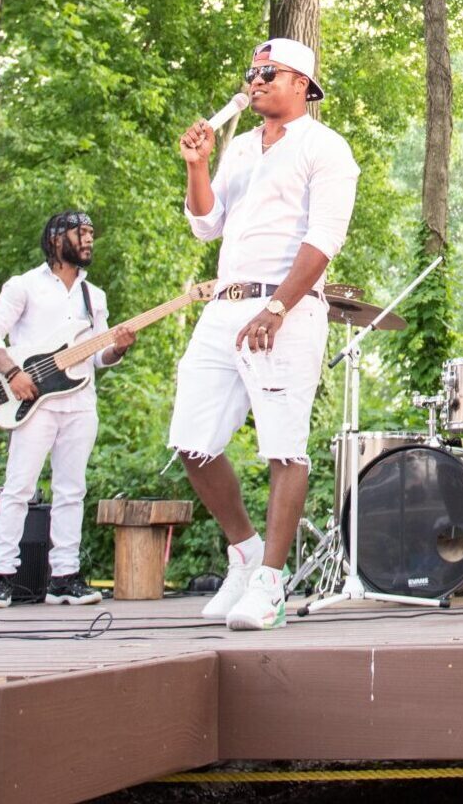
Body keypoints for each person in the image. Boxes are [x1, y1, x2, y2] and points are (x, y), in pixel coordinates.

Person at [173, 37, 357, 630]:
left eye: (267, 73)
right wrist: (198, 166)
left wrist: (277, 306)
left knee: (283, 445)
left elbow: (323, 240)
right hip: (225, 304)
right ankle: (246, 553)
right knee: (192, 441)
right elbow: (206, 225)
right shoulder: (244, 147)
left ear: (301, 83)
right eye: (251, 72)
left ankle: (272, 584)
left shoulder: (326, 149)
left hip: (286, 310)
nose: (254, 81)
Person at [0, 210, 135, 607]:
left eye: (91, 233)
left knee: (72, 490)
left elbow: (98, 356)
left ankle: (64, 576)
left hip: (80, 403)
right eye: (81, 232)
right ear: (56, 238)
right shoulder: (24, 286)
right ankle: (1, 576)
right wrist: (12, 372)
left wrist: (118, 348)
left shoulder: (93, 296)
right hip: (33, 402)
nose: (88, 239)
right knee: (18, 488)